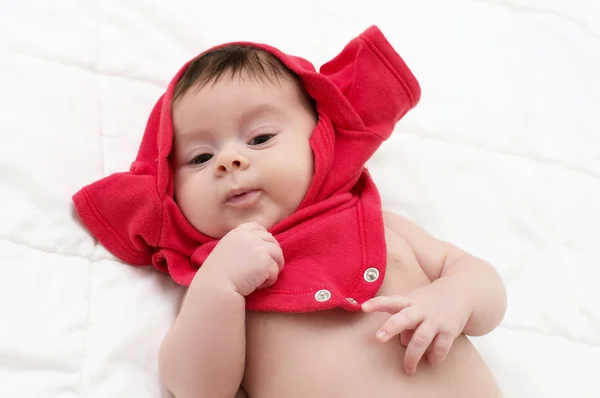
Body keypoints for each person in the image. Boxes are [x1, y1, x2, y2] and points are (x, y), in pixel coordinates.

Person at [72, 25, 507, 398]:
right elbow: (196, 388)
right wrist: (218, 287)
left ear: (320, 140)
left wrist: (456, 297)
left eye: (259, 138)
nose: (229, 161)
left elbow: (481, 286)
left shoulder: (376, 223)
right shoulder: (219, 280)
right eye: (200, 158)